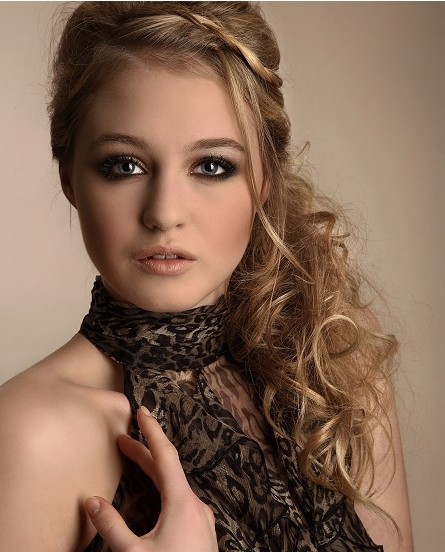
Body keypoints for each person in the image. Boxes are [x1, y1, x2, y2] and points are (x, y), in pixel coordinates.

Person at [0, 2, 413, 551]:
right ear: (69, 178)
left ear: (263, 182)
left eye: (212, 166)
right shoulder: (28, 436)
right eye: (124, 165)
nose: (164, 213)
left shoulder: (336, 364)